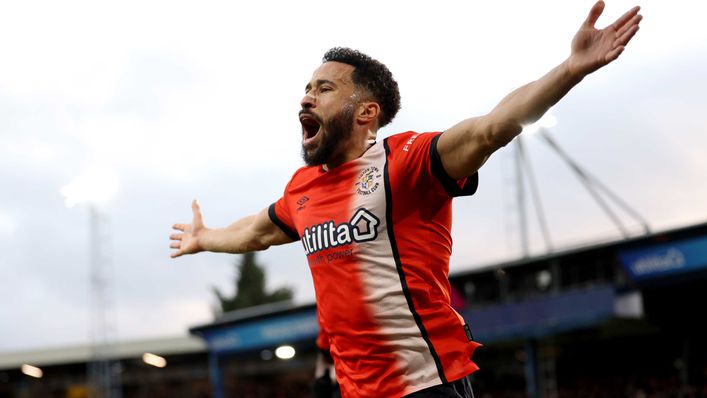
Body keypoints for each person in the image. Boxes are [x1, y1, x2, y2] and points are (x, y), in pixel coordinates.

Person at [170, 2, 642, 397]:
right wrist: (205, 236)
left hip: (427, 384)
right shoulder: (302, 188)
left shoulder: (405, 161)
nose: (307, 98)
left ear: (366, 113)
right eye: (307, 89)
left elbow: (491, 127)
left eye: (325, 88)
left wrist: (570, 70)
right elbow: (256, 231)